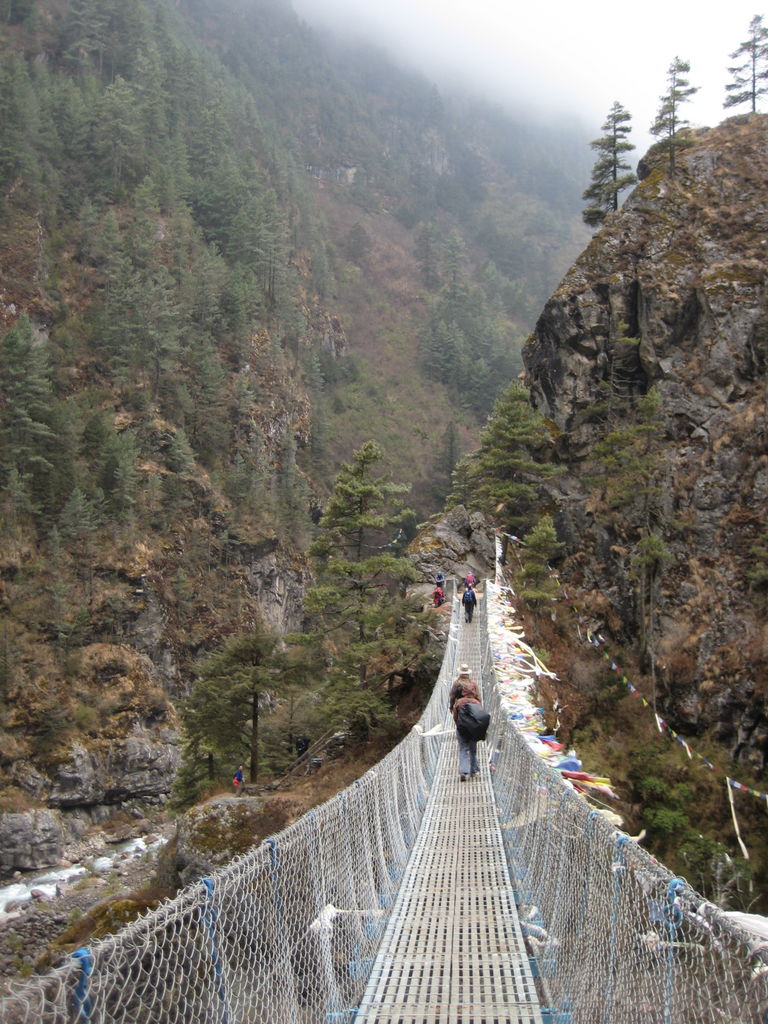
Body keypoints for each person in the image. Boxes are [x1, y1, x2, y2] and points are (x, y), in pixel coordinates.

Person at [449, 664, 481, 781]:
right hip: (473, 728)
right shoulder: (476, 700)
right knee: (473, 749)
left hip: (461, 726)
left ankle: (463, 772)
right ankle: (474, 770)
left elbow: (452, 697)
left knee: (463, 749)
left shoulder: (457, 687)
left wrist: (458, 724)